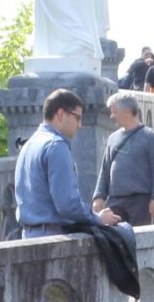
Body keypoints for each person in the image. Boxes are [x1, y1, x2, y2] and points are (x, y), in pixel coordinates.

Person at [16, 90, 98, 238]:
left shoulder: (29, 144)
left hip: (28, 235)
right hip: (52, 237)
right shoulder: (56, 146)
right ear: (60, 114)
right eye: (77, 118)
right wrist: (98, 218)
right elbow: (67, 205)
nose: (80, 125)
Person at [93, 93, 154, 228]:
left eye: (114, 112)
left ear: (127, 111)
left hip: (140, 202)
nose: (111, 116)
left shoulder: (149, 137)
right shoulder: (112, 138)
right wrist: (98, 196)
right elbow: (105, 170)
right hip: (116, 201)